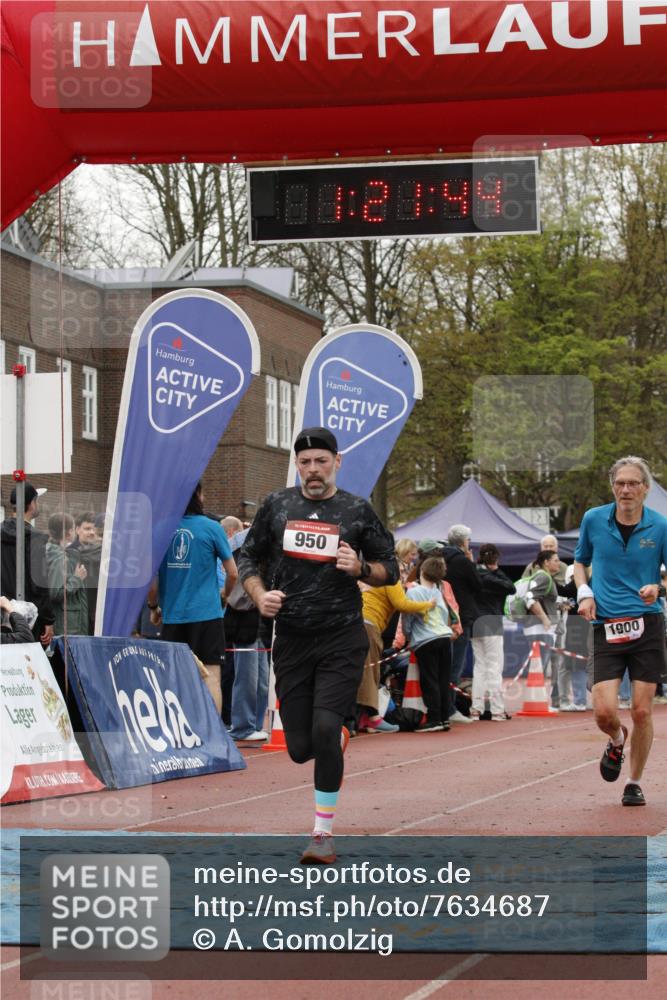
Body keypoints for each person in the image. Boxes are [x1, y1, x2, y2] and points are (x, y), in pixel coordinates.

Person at [237, 426, 398, 865]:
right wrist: (259, 596)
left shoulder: (356, 510)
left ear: (336, 462)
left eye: (321, 461)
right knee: (299, 749)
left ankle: (322, 835)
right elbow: (247, 557)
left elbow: (391, 568)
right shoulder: (277, 505)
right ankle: (335, 738)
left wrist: (361, 567)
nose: (313, 470)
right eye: (305, 462)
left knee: (325, 729)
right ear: (297, 465)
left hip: (341, 636)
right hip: (291, 638)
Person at [574, 456, 667, 807]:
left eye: (632, 483)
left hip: (647, 625)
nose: (626, 490)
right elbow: (580, 562)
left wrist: (658, 588)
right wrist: (584, 592)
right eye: (620, 483)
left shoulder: (661, 525)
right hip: (606, 626)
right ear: (613, 486)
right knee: (603, 712)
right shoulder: (593, 519)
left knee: (642, 711)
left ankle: (634, 782)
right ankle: (616, 739)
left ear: (645, 488)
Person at [148, 482, 238, 714]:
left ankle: (177, 730)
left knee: (174, 678)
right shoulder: (212, 527)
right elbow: (233, 573)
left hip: (173, 616)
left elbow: (151, 580)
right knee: (211, 676)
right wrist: (225, 595)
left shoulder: (159, 530)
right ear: (198, 495)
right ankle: (213, 732)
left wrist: (153, 607)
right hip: (207, 614)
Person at [356, 565, 435, 733]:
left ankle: (359, 717)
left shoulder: (369, 578)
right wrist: (427, 605)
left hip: (359, 623)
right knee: (370, 673)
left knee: (363, 672)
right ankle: (372, 718)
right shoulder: (390, 579)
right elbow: (402, 604)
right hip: (369, 624)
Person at [401, 556, 455, 732]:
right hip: (444, 636)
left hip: (425, 639)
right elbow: (445, 614)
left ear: (422, 571)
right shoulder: (438, 592)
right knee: (443, 679)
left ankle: (434, 718)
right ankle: (444, 717)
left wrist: (408, 636)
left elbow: (407, 617)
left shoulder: (413, 592)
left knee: (429, 679)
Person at [0, 483, 54, 647]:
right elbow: (39, 583)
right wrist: (48, 620)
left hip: (3, 612)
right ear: (31, 504)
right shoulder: (35, 538)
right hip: (30, 619)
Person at [442, 525, 483, 723]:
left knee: (442, 665)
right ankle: (450, 709)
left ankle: (442, 707)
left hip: (440, 617)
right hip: (460, 618)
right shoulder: (462, 561)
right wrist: (471, 562)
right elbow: (477, 585)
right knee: (455, 666)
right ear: (464, 542)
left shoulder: (438, 557)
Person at [470, 544, 515, 721]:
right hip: (492, 624)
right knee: (494, 667)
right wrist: (496, 570)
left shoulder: (473, 574)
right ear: (496, 558)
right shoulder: (493, 577)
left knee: (479, 667)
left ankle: (476, 709)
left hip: (475, 623)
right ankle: (497, 710)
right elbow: (511, 587)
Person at [45, 513, 89, 635]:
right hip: (66, 626)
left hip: (65, 623)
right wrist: (77, 579)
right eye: (74, 528)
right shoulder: (59, 557)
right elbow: (56, 592)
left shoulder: (53, 553)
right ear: (69, 532)